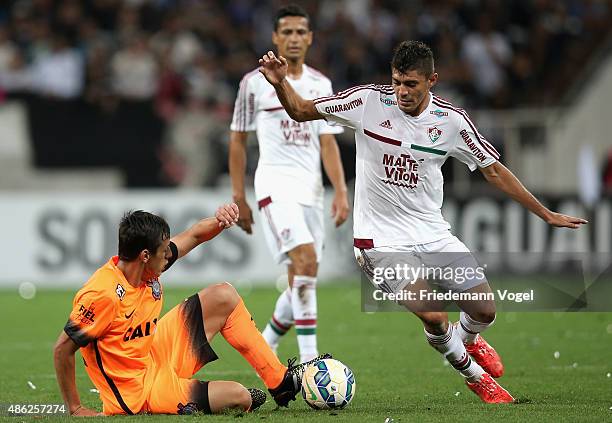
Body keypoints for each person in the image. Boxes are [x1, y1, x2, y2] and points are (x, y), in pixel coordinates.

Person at [257, 40, 588, 403]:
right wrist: (280, 84)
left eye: (411, 84)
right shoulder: (367, 102)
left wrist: (545, 213)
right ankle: (476, 378)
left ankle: (470, 341)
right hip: (379, 242)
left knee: (484, 309)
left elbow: (493, 171)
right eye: (397, 81)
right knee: (433, 313)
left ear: (432, 80)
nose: (401, 91)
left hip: (432, 234)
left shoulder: (451, 121)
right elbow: (303, 110)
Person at [53, 206, 321, 415]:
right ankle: (194, 397)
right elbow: (63, 348)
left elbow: (193, 235)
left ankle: (280, 382)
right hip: (139, 393)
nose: (168, 255)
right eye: (163, 252)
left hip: (154, 351)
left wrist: (221, 221)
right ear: (145, 255)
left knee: (223, 295)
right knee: (240, 396)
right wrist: (75, 408)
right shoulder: (103, 294)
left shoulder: (144, 269)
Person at [228, 4, 349, 363]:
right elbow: (237, 139)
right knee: (306, 261)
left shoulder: (321, 84)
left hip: (310, 191)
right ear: (275, 37)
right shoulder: (253, 83)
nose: (294, 38)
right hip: (274, 186)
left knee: (301, 275)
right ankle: (311, 362)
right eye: (288, 32)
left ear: (310, 38)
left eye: (301, 32)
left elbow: (327, 141)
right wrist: (239, 195)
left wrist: (340, 190)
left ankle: (263, 345)